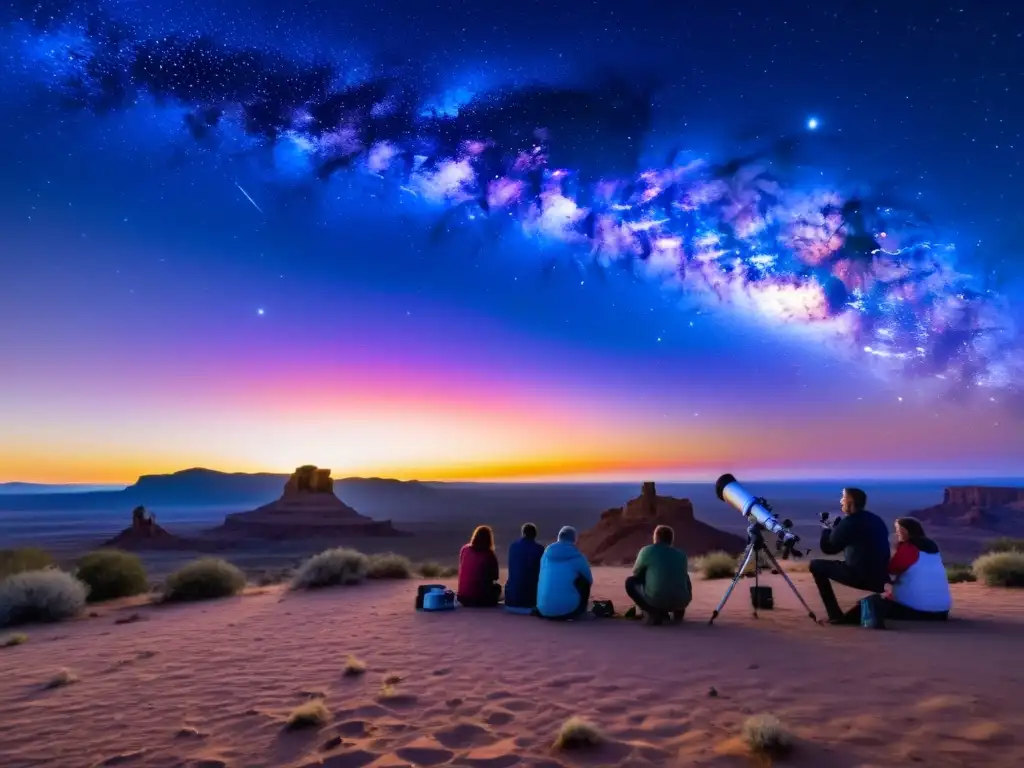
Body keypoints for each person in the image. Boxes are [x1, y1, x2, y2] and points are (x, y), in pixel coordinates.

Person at [808, 487, 891, 624]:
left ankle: (834, 614)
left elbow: (828, 549)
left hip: (860, 576)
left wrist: (825, 530)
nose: (841, 501)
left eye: (843, 497)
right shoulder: (875, 519)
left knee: (815, 565)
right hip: (881, 578)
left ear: (850, 502)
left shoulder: (849, 522)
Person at [883, 517, 951, 620]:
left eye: (897, 529)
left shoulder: (910, 548)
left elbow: (891, 569)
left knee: (871, 606)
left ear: (905, 531)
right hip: (941, 612)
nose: (896, 533)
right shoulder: (932, 547)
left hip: (915, 610)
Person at [625, 525, 692, 625]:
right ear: (671, 539)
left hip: (657, 600)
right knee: (685, 576)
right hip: (681, 601)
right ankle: (678, 611)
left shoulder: (647, 551)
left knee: (630, 582)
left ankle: (652, 612)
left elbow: (636, 572)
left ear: (656, 537)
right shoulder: (682, 555)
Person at [535, 526, 593, 620]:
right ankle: (582, 611)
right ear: (574, 539)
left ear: (559, 537)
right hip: (568, 611)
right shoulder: (577, 556)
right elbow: (589, 580)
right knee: (583, 581)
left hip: (543, 610)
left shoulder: (546, 553)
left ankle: (547, 603)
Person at [457, 525, 502, 607]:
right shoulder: (488, 554)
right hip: (479, 599)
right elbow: (495, 576)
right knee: (497, 588)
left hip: (462, 597)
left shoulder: (465, 549)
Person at [504, 523, 545, 612]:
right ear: (535, 535)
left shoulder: (513, 547)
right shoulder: (539, 549)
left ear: (523, 533)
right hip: (530, 599)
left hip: (511, 599)